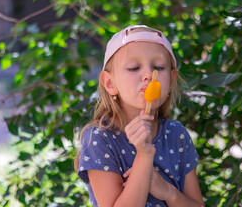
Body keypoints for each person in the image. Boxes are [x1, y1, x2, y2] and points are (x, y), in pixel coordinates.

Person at [74, 25, 204, 207]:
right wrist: (143, 156)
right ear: (110, 83)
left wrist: (167, 191)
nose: (150, 75)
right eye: (134, 68)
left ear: (171, 81)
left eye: (158, 67)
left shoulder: (176, 134)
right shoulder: (100, 138)